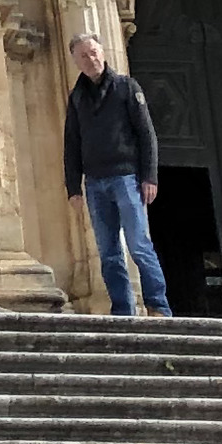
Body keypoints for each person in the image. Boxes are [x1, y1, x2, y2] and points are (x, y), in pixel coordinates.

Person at [63, 29, 172, 317]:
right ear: (76, 61)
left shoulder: (127, 87)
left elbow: (146, 134)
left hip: (126, 177)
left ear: (103, 53)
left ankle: (158, 305)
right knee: (109, 253)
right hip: (95, 183)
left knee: (138, 245)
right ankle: (123, 310)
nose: (90, 59)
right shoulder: (76, 98)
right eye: (83, 56)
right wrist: (73, 187)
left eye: (94, 52)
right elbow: (71, 143)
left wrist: (150, 176)